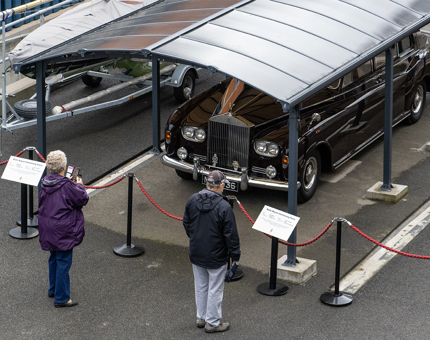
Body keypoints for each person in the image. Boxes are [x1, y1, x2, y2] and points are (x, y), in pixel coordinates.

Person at [183, 170, 241, 333]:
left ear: (207, 184)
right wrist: (235, 256)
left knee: (201, 285)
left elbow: (186, 223)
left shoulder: (192, 200)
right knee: (215, 288)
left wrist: (195, 239)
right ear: (221, 185)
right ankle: (213, 323)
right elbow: (231, 235)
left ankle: (201, 317)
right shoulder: (224, 207)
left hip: (196, 252)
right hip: (216, 255)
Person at [38, 150, 89, 308]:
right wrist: (79, 186)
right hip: (63, 229)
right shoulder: (67, 186)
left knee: (53, 257)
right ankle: (61, 297)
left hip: (47, 226)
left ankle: (53, 288)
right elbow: (82, 199)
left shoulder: (45, 182)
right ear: (63, 167)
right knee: (63, 261)